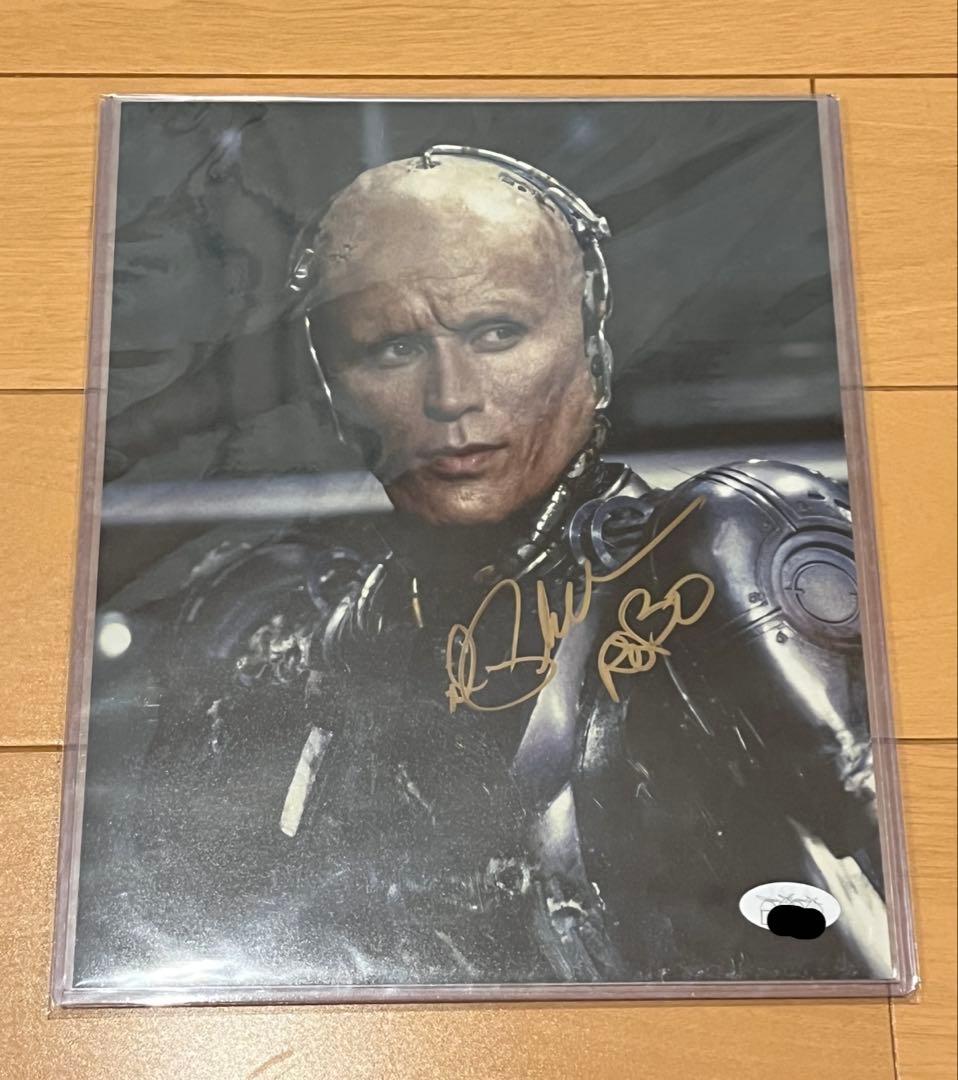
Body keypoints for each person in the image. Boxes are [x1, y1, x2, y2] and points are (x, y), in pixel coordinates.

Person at [77, 146, 887, 991]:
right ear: (329, 386)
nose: (451, 395)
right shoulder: (300, 633)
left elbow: (907, 926)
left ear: (590, 338)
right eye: (391, 348)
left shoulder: (717, 556)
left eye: (497, 333)